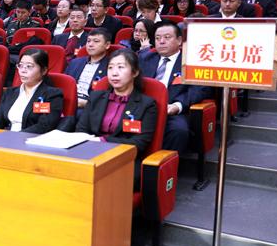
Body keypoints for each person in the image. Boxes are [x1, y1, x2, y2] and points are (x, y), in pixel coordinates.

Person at [77, 49, 158, 175]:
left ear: (135, 72)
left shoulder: (146, 104)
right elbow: (81, 129)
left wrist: (103, 141)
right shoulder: (96, 97)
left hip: (124, 158)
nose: (114, 73)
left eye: (121, 67)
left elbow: (140, 142)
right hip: (91, 152)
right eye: (110, 68)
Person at [138, 22, 195, 153]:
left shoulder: (189, 61)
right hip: (143, 108)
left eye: (167, 37)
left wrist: (177, 105)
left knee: (179, 130)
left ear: (179, 40)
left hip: (171, 109)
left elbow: (198, 90)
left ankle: (163, 163)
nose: (161, 41)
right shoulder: (145, 58)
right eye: (157, 38)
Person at [0, 47, 63, 133]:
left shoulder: (51, 95)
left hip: (31, 138)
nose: (23, 70)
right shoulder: (10, 93)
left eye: (29, 66)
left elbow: (44, 126)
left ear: (43, 70)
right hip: (6, 137)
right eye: (20, 66)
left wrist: (16, 137)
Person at [65, 29, 111, 108]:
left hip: (91, 107)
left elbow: (109, 95)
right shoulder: (75, 62)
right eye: (88, 41)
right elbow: (64, 85)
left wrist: (87, 103)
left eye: (96, 41)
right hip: (69, 101)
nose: (90, 44)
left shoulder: (111, 67)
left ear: (107, 45)